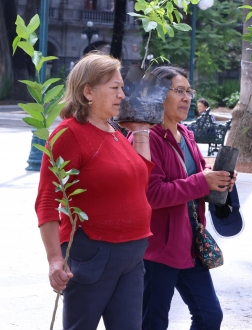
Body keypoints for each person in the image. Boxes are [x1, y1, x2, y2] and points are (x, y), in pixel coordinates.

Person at [35, 52, 154, 330]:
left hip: (132, 253)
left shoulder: (114, 132)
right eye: (115, 87)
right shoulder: (68, 135)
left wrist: (140, 132)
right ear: (88, 91)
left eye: (122, 87)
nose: (123, 95)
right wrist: (54, 259)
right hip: (93, 251)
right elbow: (46, 200)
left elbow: (139, 181)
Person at [141, 65, 237, 330]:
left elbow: (193, 174)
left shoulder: (185, 134)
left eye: (189, 91)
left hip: (191, 242)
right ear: (159, 95)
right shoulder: (146, 138)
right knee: (152, 322)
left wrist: (216, 179)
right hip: (158, 248)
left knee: (209, 316)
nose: (187, 98)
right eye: (179, 91)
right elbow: (152, 194)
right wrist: (201, 182)